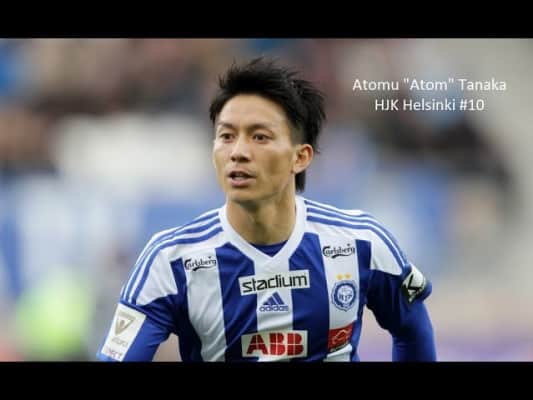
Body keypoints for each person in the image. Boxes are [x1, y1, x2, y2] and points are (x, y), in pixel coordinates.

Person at [97, 57, 436, 362]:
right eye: (226, 136)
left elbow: (413, 331)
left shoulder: (361, 242)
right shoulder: (169, 260)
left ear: (300, 157)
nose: (238, 152)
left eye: (259, 137)